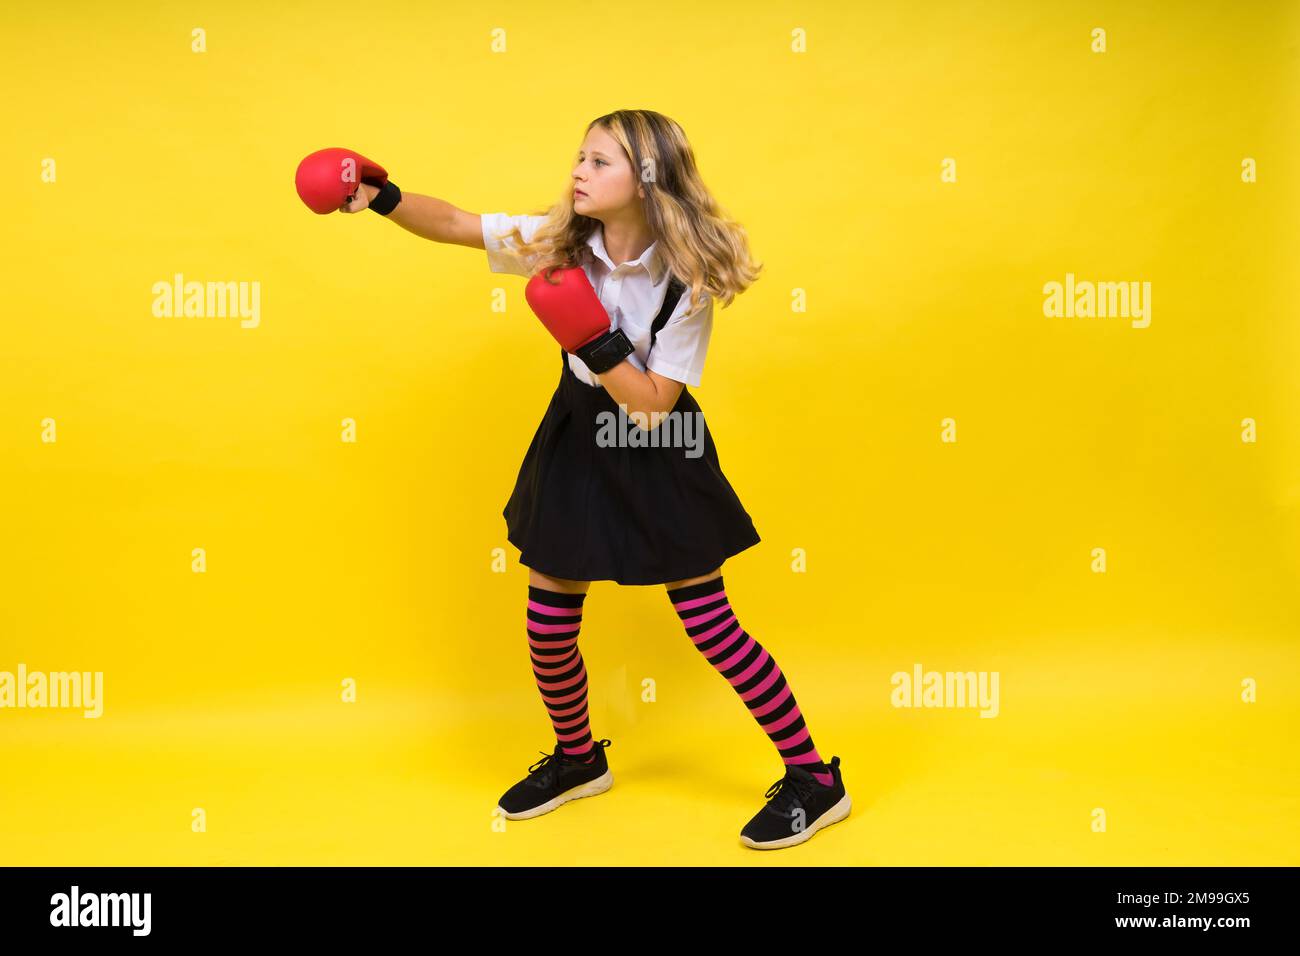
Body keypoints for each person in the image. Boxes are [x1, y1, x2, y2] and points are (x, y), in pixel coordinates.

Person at [337, 109, 850, 850]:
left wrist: (589, 336)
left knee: (711, 625)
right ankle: (579, 760)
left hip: (655, 441)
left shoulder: (687, 281)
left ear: (645, 182)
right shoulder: (560, 242)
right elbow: (455, 222)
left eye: (599, 161)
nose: (578, 170)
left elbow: (650, 409)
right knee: (548, 624)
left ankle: (815, 779)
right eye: (580, 156)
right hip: (579, 434)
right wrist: (382, 198)